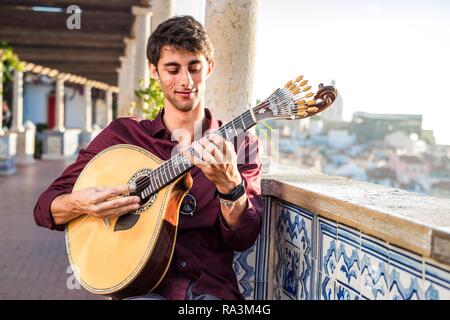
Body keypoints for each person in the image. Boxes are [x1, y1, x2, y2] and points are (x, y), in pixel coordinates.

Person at [33, 16, 263, 300]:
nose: (185, 81)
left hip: (209, 290)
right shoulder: (123, 136)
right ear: (154, 71)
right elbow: (45, 208)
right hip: (138, 288)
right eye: (172, 68)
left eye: (194, 67)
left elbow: (243, 238)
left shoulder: (239, 146)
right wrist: (82, 203)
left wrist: (232, 189)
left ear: (210, 67)